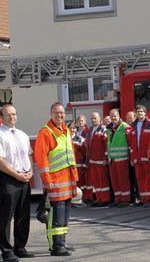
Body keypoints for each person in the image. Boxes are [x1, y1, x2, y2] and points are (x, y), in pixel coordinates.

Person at [34, 102, 78, 256]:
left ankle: (62, 242)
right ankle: (56, 245)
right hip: (55, 181)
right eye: (56, 113)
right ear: (51, 114)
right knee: (55, 215)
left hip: (67, 180)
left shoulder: (65, 130)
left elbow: (69, 155)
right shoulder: (46, 133)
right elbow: (41, 159)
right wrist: (46, 180)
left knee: (64, 214)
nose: (59, 115)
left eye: (61, 113)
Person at [0, 104, 34, 261]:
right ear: (2, 117)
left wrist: (31, 172)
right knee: (6, 217)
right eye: (8, 115)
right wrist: (16, 175)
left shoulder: (22, 134)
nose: (11, 117)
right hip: (8, 179)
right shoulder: (1, 135)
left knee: (23, 215)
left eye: (13, 114)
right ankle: (6, 251)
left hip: (24, 178)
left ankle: (20, 247)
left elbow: (29, 155)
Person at [129, 105, 150, 207]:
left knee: (149, 178)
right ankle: (143, 198)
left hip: (147, 157)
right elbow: (132, 143)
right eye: (138, 112)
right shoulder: (133, 126)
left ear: (145, 113)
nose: (140, 113)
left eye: (141, 111)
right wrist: (132, 157)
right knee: (140, 178)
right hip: (137, 158)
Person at [106, 109, 132, 208]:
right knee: (115, 180)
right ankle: (118, 199)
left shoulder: (125, 127)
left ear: (119, 115)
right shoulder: (109, 128)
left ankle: (125, 199)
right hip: (112, 158)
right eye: (111, 116)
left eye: (115, 116)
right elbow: (108, 143)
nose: (113, 118)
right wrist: (109, 156)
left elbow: (130, 142)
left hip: (122, 158)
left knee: (123, 180)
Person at [86, 112, 110, 207]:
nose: (93, 120)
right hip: (93, 160)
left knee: (102, 181)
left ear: (99, 118)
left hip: (100, 160)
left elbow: (106, 145)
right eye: (92, 118)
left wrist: (105, 158)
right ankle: (99, 198)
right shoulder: (90, 130)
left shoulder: (103, 129)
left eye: (95, 118)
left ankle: (105, 199)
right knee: (96, 181)